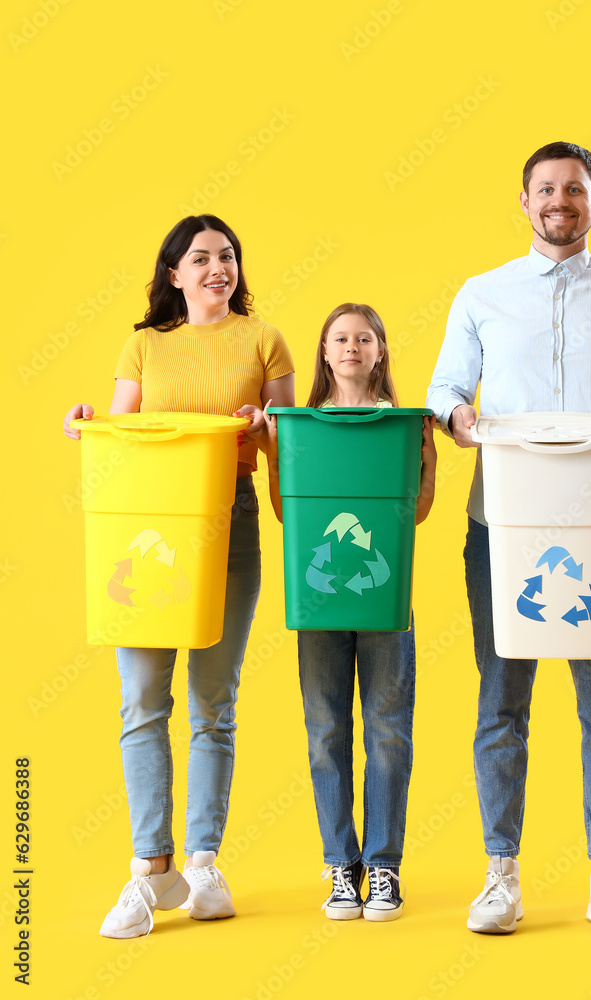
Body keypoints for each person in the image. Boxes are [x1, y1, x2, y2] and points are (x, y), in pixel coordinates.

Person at [427, 142, 591, 938]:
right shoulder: (483, 294)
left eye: (573, 189)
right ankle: (500, 875)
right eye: (545, 189)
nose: (559, 202)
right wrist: (458, 416)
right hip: (502, 524)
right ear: (523, 201)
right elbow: (447, 384)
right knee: (501, 701)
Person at [63, 214, 295, 938]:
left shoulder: (265, 340)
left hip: (232, 526)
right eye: (200, 259)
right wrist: (86, 422)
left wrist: (264, 425)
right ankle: (149, 869)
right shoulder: (144, 345)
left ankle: (202, 864)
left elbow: (292, 442)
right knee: (142, 699)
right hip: (150, 534)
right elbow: (123, 436)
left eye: (226, 257)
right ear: (174, 274)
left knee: (213, 701)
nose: (216, 269)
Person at [265, 303, 436, 921]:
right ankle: (341, 865)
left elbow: (415, 514)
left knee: (388, 730)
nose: (352, 347)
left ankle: (384, 868)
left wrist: (422, 455)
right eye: (340, 338)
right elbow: (290, 514)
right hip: (321, 604)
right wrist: (272, 444)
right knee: (327, 731)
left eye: (364, 338)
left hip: (385, 599)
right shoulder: (300, 426)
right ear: (325, 351)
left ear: (381, 350)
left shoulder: (402, 424)